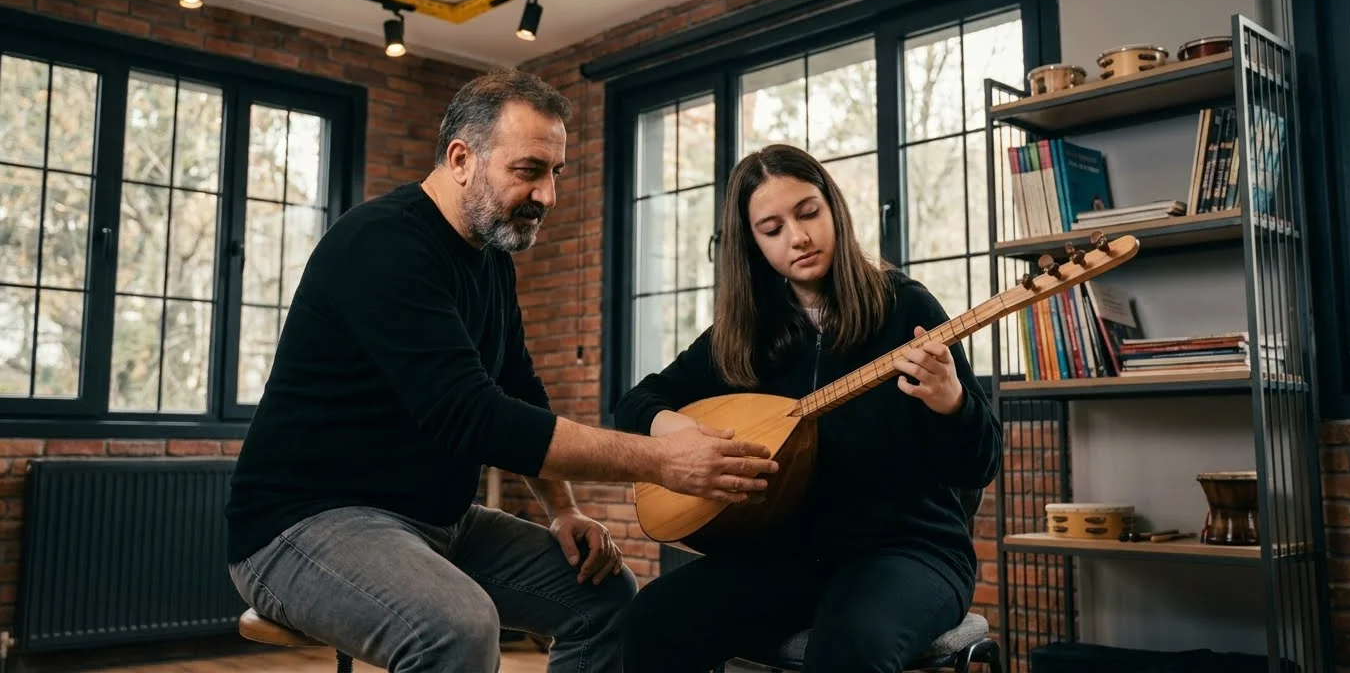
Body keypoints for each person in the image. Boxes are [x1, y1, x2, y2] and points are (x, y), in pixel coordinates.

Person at [224, 69, 779, 673]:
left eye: (555, 173)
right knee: (456, 628)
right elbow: (474, 416)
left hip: (439, 521)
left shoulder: (490, 264)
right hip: (303, 526)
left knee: (605, 595)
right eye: (529, 170)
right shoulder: (382, 244)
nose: (548, 196)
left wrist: (563, 511)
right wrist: (663, 461)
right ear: (462, 158)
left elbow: (520, 393)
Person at [615, 144, 1003, 673]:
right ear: (751, 244)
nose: (796, 237)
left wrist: (951, 402)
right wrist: (676, 429)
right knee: (652, 618)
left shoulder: (906, 307)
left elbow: (980, 464)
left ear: (833, 209)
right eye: (771, 229)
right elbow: (637, 402)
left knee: (848, 649)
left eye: (808, 213)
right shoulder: (745, 335)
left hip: (913, 552)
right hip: (789, 555)